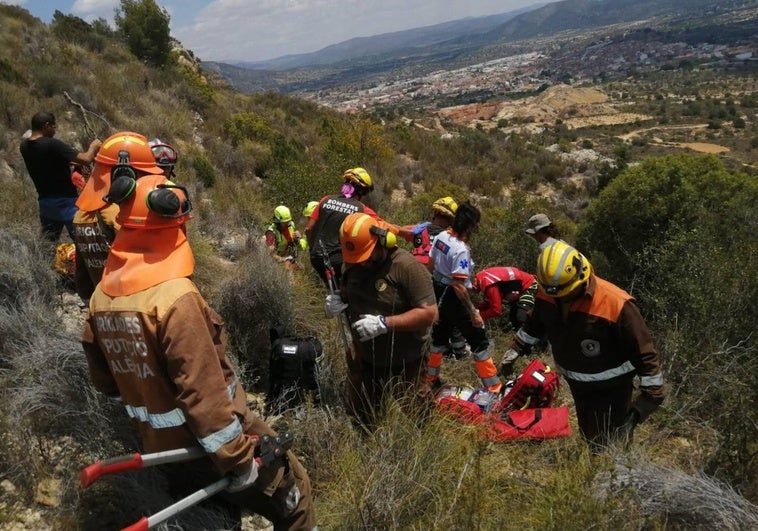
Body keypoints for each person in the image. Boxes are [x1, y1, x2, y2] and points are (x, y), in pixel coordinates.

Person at [81, 173, 316, 529]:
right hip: (213, 448)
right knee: (295, 495)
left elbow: (106, 383)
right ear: (172, 228)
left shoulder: (101, 298)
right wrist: (241, 462)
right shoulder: (176, 299)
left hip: (160, 449)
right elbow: (203, 396)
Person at [501, 240, 665, 449]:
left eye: (566, 294)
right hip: (577, 383)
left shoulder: (616, 304)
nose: (561, 300)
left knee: (612, 445)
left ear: (582, 276)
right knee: (590, 436)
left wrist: (643, 405)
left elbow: (644, 353)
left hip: (612, 388)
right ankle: (592, 463)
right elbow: (536, 323)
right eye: (555, 295)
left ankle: (614, 476)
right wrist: (516, 348)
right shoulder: (550, 292)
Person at [325, 213, 438, 425]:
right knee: (362, 415)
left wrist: (385, 324)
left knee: (417, 414)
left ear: (382, 240)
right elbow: (348, 290)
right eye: (356, 259)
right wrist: (338, 300)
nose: (361, 264)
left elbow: (430, 314)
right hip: (366, 357)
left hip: (406, 360)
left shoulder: (406, 267)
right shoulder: (353, 262)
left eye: (366, 257)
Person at [73, 131, 163, 303]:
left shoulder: (80, 214)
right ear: (123, 174)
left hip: (101, 304)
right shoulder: (122, 217)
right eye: (143, 174)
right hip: (132, 303)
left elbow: (82, 275)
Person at [425, 202, 502, 393]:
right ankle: (494, 387)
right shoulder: (461, 249)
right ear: (470, 226)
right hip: (454, 298)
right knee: (479, 341)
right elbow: (459, 286)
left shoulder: (441, 236)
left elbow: (430, 265)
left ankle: (429, 380)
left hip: (438, 292)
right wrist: (473, 312)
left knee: (439, 340)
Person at [306, 167, 410, 288]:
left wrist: (312, 248)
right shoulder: (361, 209)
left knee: (332, 290)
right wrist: (406, 234)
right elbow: (385, 226)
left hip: (316, 257)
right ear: (361, 191)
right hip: (339, 260)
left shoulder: (325, 200)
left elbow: (309, 228)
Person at [19, 111, 102, 242]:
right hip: (67, 202)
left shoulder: (24, 146)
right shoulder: (52, 144)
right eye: (54, 127)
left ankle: (45, 262)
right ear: (46, 126)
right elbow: (86, 159)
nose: (55, 130)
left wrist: (70, 162)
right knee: (85, 243)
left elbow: (47, 162)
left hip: (45, 203)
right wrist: (94, 146)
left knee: (48, 244)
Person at [410, 196, 468, 360]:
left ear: (435, 212)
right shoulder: (451, 237)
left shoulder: (418, 230)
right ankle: (459, 352)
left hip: (413, 275)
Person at [473, 266, 538, 330]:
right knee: (514, 320)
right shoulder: (483, 278)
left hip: (529, 285)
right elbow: (488, 303)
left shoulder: (487, 283)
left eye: (471, 289)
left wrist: (478, 316)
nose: (472, 292)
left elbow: (496, 310)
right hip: (517, 289)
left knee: (521, 317)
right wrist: (473, 311)